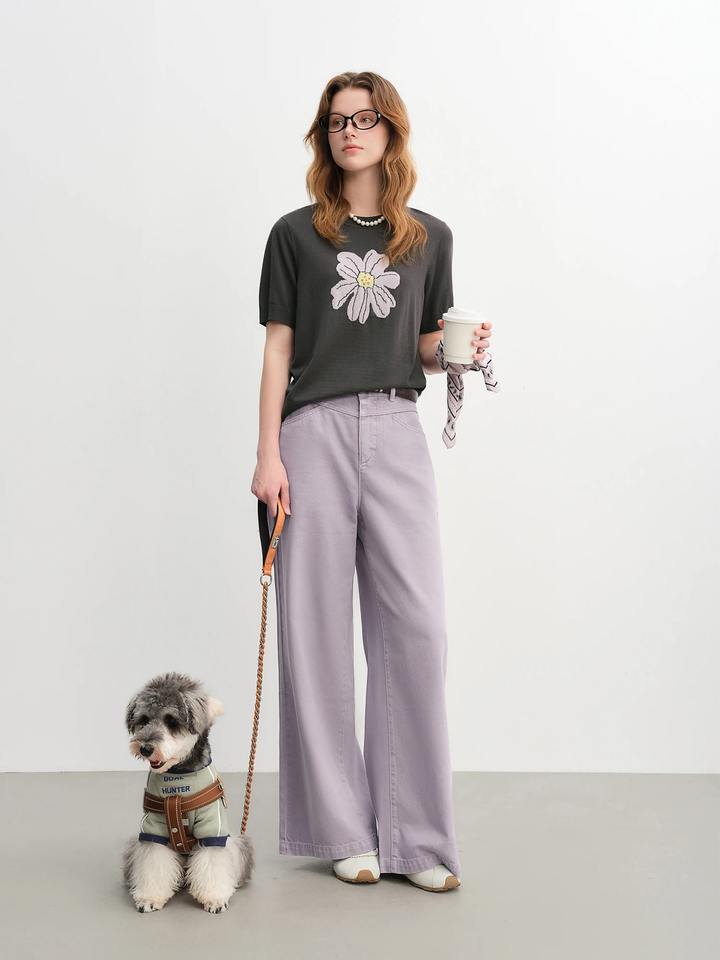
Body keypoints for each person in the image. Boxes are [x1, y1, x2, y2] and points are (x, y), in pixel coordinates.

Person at [251, 71, 492, 893]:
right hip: (311, 433)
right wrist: (267, 455)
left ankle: (416, 839)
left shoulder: (429, 238)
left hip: (396, 428)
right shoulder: (294, 235)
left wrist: (458, 352)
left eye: (364, 118)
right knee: (315, 630)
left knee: (416, 628)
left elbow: (422, 344)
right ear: (325, 137)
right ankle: (340, 831)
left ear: (391, 130)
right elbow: (279, 347)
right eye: (336, 121)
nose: (349, 132)